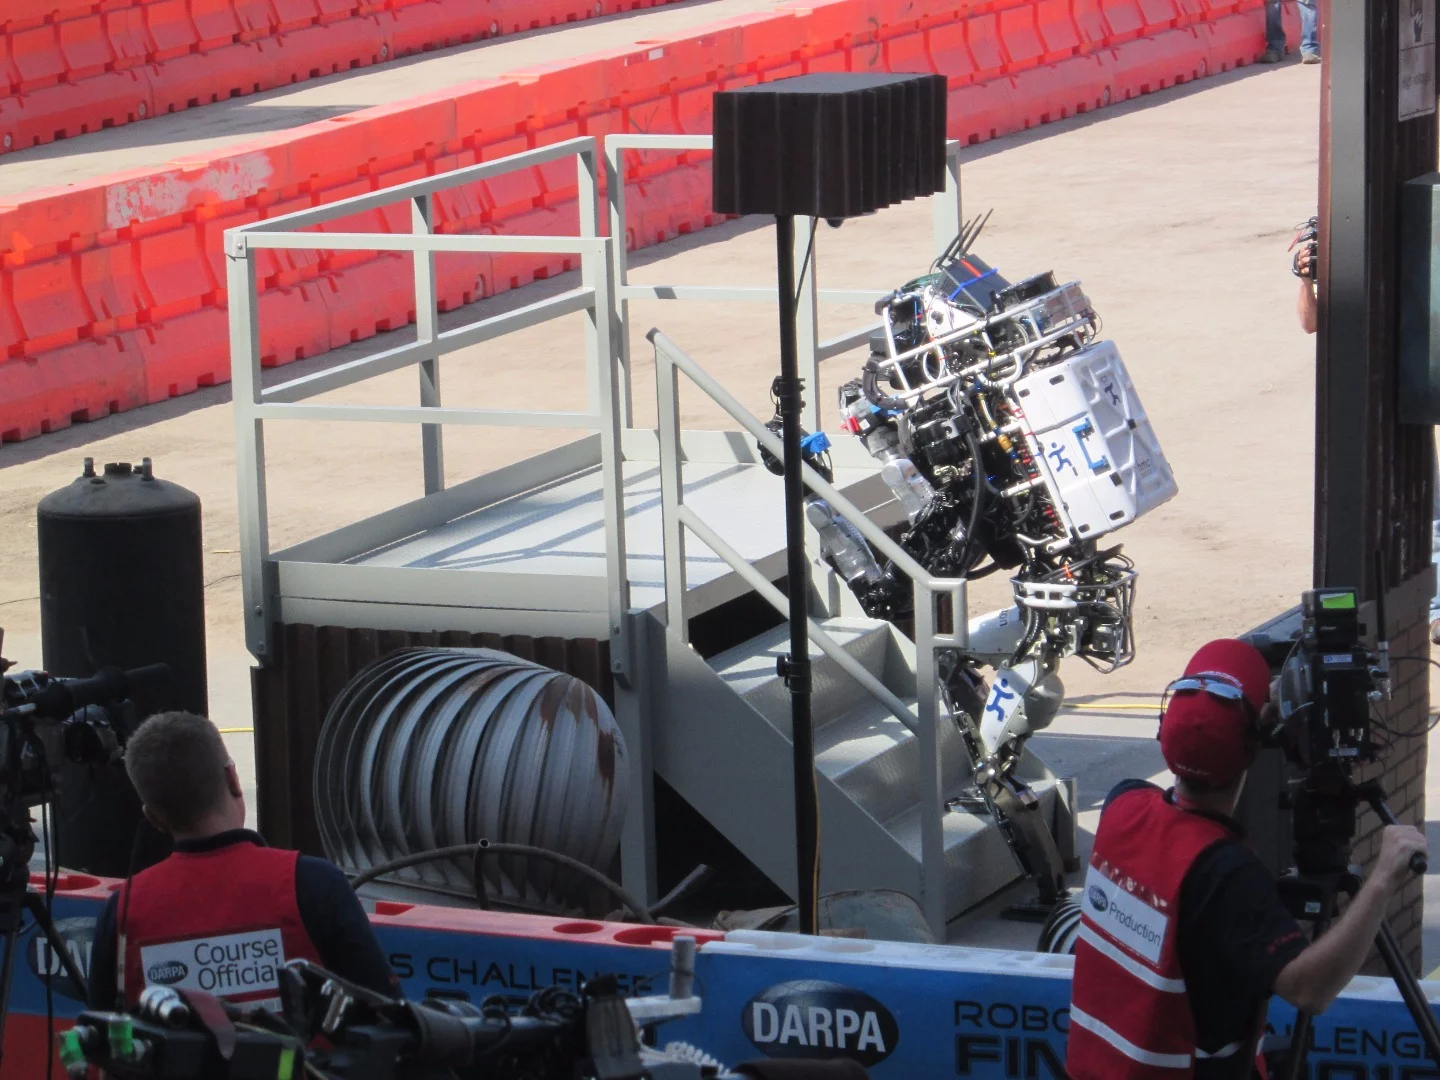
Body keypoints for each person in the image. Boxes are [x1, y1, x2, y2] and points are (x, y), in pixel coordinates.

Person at [1066, 639, 1429, 1079]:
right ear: (1256, 746)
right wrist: (1382, 879)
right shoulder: (1225, 873)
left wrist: (1244, 725)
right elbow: (1309, 990)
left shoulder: (1121, 804)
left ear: (1165, 729)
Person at [88, 711, 398, 1009]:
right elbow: (386, 1013)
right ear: (233, 778)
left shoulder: (123, 910)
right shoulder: (314, 884)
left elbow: (104, 1028)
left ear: (154, 819)